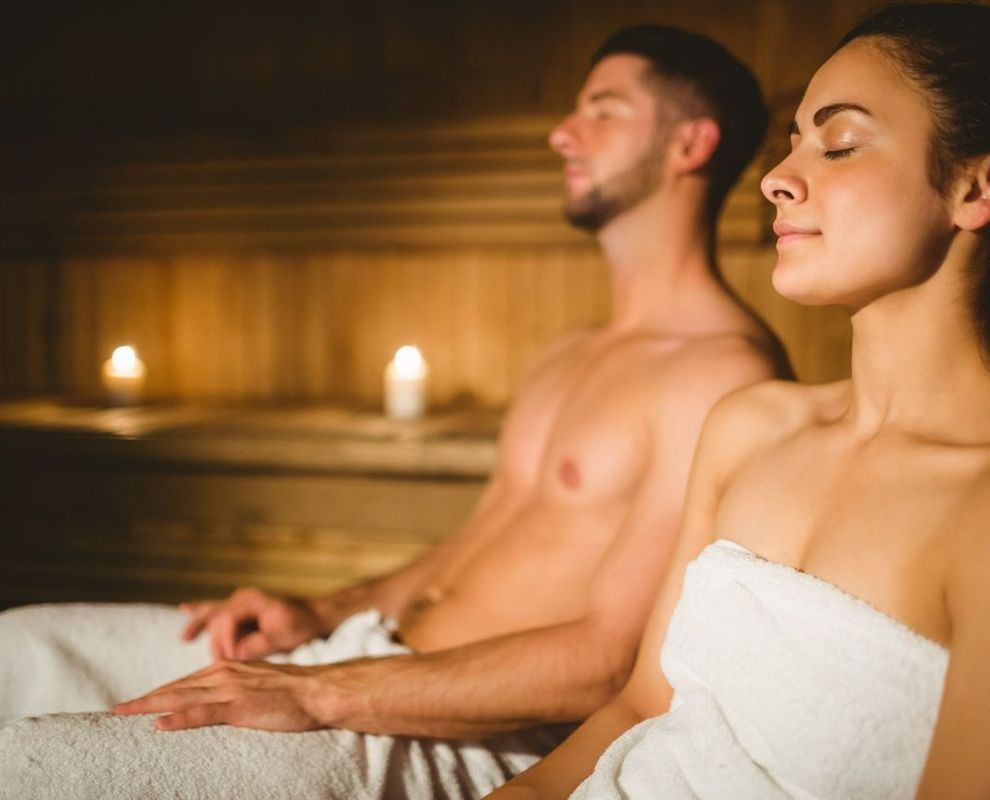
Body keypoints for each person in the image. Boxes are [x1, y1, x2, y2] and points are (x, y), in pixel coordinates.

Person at [0, 25, 789, 799]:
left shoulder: (723, 376)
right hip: (364, 660)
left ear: (691, 144)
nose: (561, 134)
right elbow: (473, 548)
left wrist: (320, 694)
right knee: (17, 646)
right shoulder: (568, 355)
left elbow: (612, 661)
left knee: (26, 768)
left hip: (461, 733)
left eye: (604, 109)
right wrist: (319, 611)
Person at [492, 4, 990, 798]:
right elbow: (642, 704)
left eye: (840, 144)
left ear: (982, 184)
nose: (779, 179)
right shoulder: (749, 429)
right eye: (793, 144)